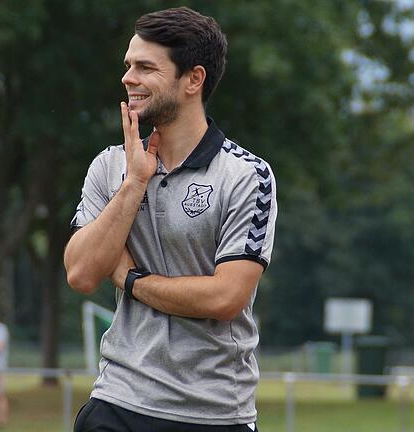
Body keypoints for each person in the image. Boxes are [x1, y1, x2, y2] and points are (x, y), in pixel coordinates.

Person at [65, 6, 277, 431]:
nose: (128, 78)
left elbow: (224, 298)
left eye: (145, 67)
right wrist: (133, 185)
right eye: (128, 65)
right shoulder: (110, 167)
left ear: (193, 80)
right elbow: (83, 274)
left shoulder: (248, 175)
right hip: (117, 402)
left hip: (214, 414)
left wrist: (129, 279)